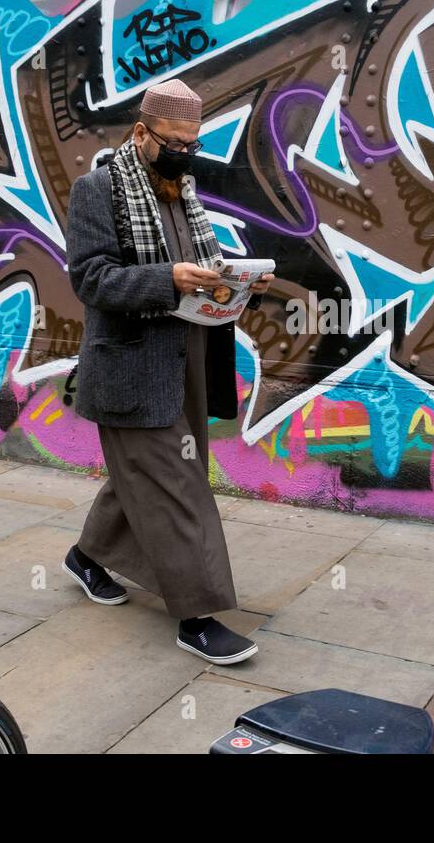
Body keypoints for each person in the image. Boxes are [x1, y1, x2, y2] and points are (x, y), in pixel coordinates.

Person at [61, 78, 273, 665]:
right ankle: (196, 616)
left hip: (187, 363)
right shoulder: (97, 190)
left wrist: (236, 285)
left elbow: (198, 273)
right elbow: (91, 279)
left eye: (192, 143)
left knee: (151, 474)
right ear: (140, 132)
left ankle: (86, 556)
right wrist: (167, 279)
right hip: (129, 369)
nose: (184, 153)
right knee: (176, 487)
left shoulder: (182, 192)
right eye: (173, 141)